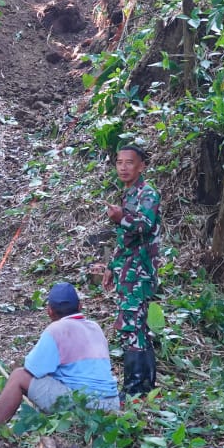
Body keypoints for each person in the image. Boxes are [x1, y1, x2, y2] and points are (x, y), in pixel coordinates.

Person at [0, 282, 119, 426]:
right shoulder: (95, 327)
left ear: (49, 311)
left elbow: (32, 369)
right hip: (112, 403)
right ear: (80, 306)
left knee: (18, 376)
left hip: (86, 405)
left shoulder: (56, 330)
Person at [94, 145, 162, 397]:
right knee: (137, 327)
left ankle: (133, 390)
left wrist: (121, 217)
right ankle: (144, 388)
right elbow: (126, 240)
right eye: (119, 162)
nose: (123, 167)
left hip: (139, 272)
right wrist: (112, 266)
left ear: (141, 165)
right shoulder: (129, 194)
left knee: (131, 327)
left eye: (129, 162)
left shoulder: (147, 194)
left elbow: (145, 224)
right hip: (127, 271)